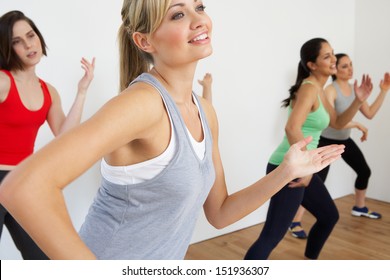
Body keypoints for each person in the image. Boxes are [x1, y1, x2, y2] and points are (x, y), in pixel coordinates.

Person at [0, 1, 344, 260]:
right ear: (145, 41)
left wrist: (286, 172)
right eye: (178, 14)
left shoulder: (205, 111)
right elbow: (23, 187)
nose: (199, 20)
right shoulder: (142, 104)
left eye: (199, 6)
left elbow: (220, 212)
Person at [244, 38, 373, 260]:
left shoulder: (320, 91)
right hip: (288, 167)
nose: (333, 59)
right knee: (272, 235)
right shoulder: (309, 89)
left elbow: (338, 123)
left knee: (328, 216)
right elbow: (292, 128)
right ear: (312, 64)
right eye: (326, 56)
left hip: (300, 168)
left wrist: (358, 101)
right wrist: (306, 170)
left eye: (333, 54)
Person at [0, 10, 95, 259]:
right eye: (16, 42)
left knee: (42, 257)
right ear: (7, 49)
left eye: (30, 35)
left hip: (24, 181)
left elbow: (65, 138)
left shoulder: (48, 92)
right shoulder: (3, 82)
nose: (28, 44)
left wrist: (82, 91)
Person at [289, 54, 390, 239]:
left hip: (344, 141)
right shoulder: (329, 90)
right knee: (314, 182)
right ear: (336, 70)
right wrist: (356, 124)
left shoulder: (354, 89)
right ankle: (295, 221)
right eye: (344, 66)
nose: (350, 69)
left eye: (351, 65)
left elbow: (369, 113)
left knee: (364, 171)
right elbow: (331, 122)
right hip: (327, 141)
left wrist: (384, 90)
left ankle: (359, 207)